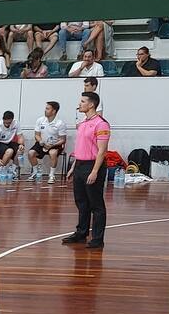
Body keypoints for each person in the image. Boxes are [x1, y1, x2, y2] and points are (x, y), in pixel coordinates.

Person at [63, 92, 110, 250]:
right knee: (81, 202)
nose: (80, 104)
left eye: (83, 101)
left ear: (91, 104)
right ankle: (81, 233)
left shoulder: (101, 124)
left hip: (92, 165)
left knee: (96, 204)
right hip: (80, 165)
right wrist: (73, 167)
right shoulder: (83, 124)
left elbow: (102, 151)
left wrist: (95, 171)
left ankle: (97, 238)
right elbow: (80, 148)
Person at [28, 101, 67, 184]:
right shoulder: (40, 120)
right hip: (42, 143)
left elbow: (63, 140)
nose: (45, 110)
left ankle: (52, 175)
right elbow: (37, 135)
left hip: (55, 144)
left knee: (53, 153)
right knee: (31, 153)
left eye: (48, 109)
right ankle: (35, 172)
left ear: (54, 111)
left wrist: (52, 145)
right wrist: (41, 141)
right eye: (45, 108)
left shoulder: (60, 123)